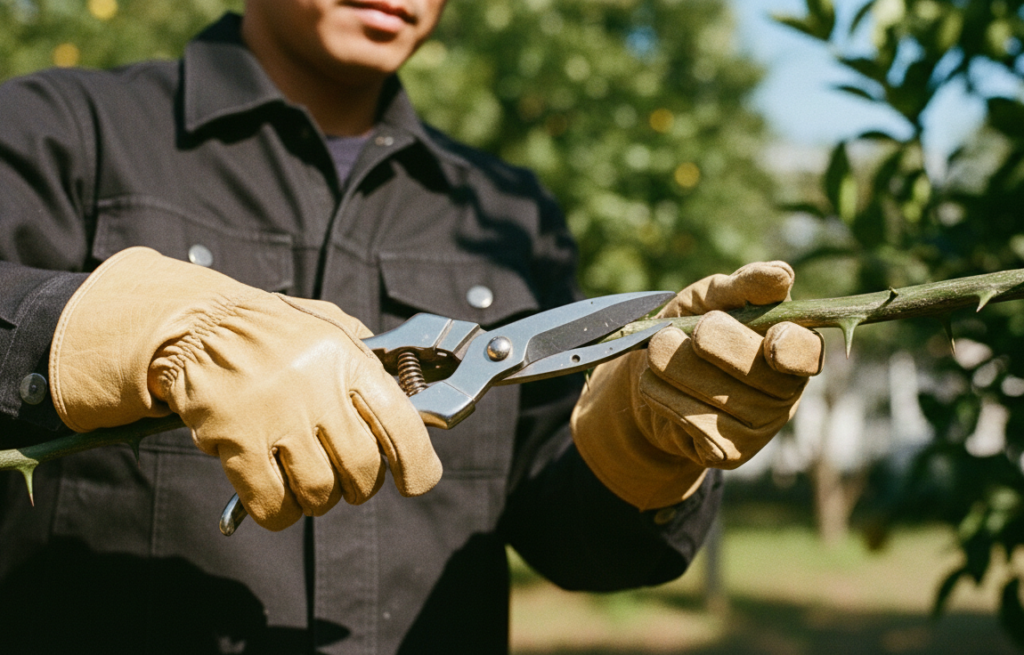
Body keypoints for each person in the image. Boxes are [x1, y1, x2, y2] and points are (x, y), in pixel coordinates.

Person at [0, 1, 823, 653]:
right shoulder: (61, 131)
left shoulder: (506, 215)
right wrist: (132, 327)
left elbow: (572, 537)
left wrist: (643, 444)